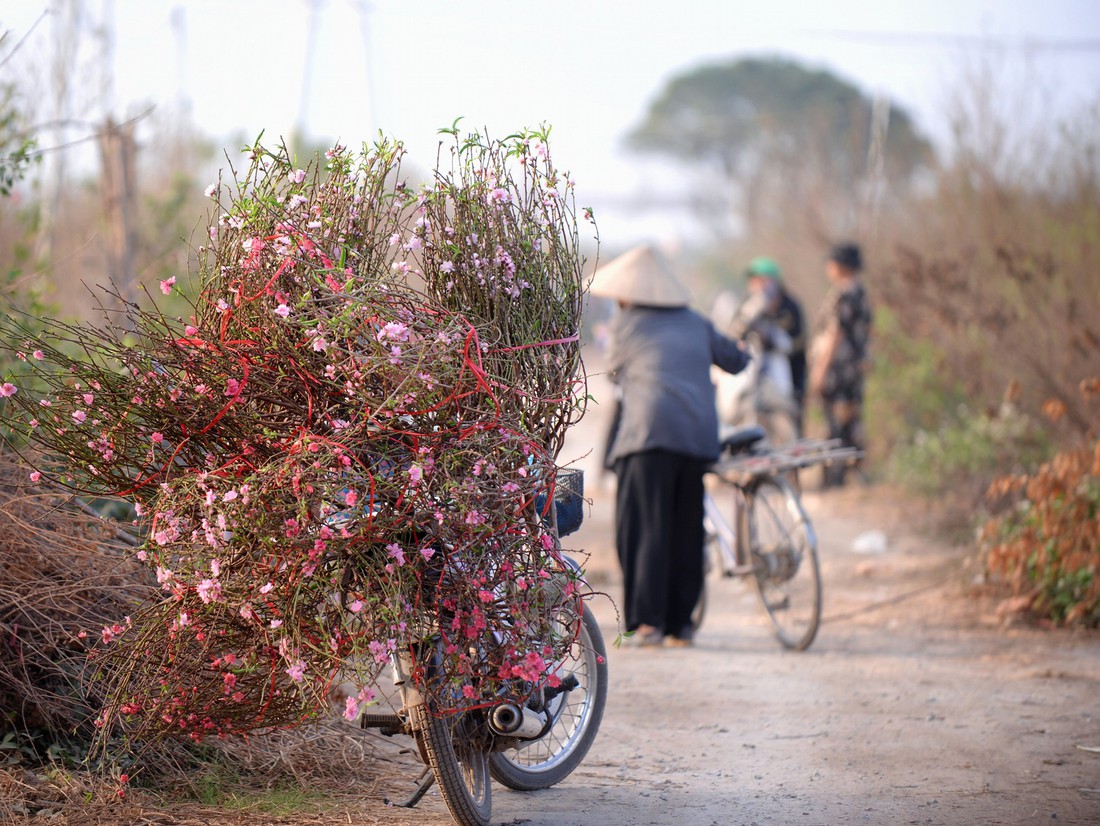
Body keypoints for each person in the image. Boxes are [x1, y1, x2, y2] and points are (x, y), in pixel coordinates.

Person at [590, 244, 750, 647]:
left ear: (629, 293)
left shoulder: (627, 324)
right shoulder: (697, 322)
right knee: (685, 528)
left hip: (647, 436)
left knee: (644, 528)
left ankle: (647, 623)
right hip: (696, 437)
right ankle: (681, 625)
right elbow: (736, 361)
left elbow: (612, 372)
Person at [810, 242, 873, 488]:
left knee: (835, 422)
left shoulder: (844, 294)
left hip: (838, 370)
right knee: (850, 420)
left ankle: (834, 478)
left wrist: (820, 370)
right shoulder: (861, 294)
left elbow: (834, 334)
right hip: (854, 369)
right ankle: (851, 472)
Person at [743, 256, 807, 434]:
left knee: (788, 425)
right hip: (756, 376)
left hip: (787, 376)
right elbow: (737, 334)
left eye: (761, 280)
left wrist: (772, 337)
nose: (757, 285)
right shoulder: (749, 305)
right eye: (754, 281)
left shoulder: (789, 306)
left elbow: (797, 342)